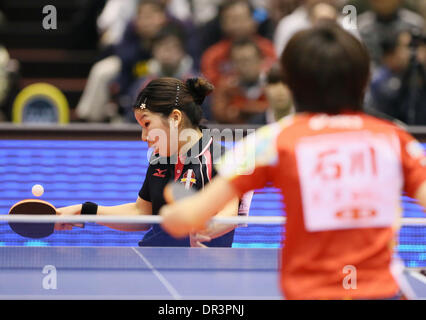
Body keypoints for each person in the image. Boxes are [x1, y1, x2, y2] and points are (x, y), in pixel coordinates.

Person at [160, 22, 426, 299]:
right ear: (363, 79)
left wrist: (173, 209)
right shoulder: (395, 140)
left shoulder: (272, 141)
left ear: (293, 83)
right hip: (381, 293)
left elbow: (186, 219)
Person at [57, 77, 243, 247]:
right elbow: (142, 213)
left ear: (175, 118)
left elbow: (229, 214)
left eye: (147, 124)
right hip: (156, 258)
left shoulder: (220, 158)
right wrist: (84, 210)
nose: (144, 137)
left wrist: (204, 231)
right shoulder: (160, 158)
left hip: (201, 270)